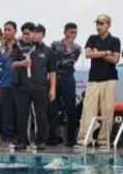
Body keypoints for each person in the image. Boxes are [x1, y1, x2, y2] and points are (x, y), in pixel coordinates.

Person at [76, 14, 120, 150]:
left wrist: (99, 53)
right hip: (94, 79)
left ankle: (103, 139)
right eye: (98, 24)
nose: (99, 27)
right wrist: (106, 52)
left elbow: (115, 59)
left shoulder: (115, 41)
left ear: (109, 25)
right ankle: (84, 138)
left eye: (102, 24)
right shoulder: (92, 38)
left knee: (107, 110)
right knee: (88, 110)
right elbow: (88, 54)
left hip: (109, 79)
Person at [12, 23, 56, 151]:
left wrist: (53, 89)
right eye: (32, 32)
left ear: (43, 35)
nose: (33, 35)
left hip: (40, 87)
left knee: (41, 115)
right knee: (22, 115)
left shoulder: (48, 51)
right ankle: (22, 140)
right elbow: (12, 63)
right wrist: (22, 63)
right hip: (23, 87)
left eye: (36, 32)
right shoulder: (21, 48)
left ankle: (40, 140)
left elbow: (52, 71)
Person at [47, 23, 82, 146]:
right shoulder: (55, 45)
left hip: (68, 77)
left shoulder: (77, 48)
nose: (73, 35)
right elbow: (54, 62)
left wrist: (67, 49)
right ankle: (51, 137)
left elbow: (68, 62)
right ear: (65, 32)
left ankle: (71, 139)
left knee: (70, 108)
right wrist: (66, 51)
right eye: (71, 32)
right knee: (52, 108)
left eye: (75, 33)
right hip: (55, 77)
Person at [0, 21, 18, 146]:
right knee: (6, 112)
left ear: (15, 31)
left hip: (18, 84)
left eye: (9, 30)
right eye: (5, 30)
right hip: (5, 84)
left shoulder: (20, 47)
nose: (7, 32)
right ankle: (7, 136)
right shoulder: (1, 50)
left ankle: (18, 136)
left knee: (18, 111)